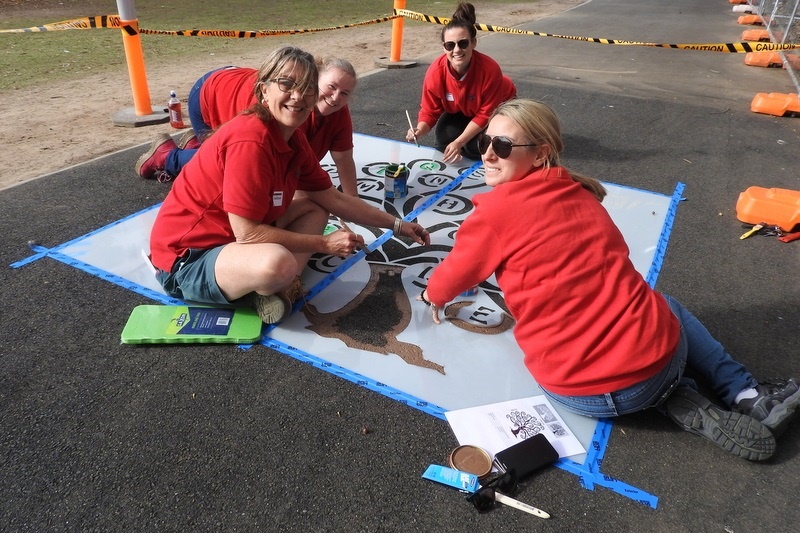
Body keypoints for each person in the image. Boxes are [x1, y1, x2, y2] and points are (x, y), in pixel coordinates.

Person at [418, 98, 800, 461]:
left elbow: (450, 277)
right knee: (662, 304)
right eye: (485, 140)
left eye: (501, 145)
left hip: (584, 394)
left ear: (540, 153)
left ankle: (679, 399)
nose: (486, 153)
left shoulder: (494, 214)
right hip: (661, 360)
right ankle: (744, 393)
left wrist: (433, 295)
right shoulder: (582, 195)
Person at [149, 46, 429, 325]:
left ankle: (266, 286)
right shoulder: (251, 140)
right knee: (278, 263)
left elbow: (334, 199)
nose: (298, 96)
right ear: (263, 91)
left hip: (231, 241)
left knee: (315, 208)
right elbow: (247, 234)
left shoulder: (293, 139)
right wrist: (324, 243)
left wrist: (398, 225)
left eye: (307, 88)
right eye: (286, 84)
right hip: (186, 259)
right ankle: (267, 285)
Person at [136, 57, 361, 196]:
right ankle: (165, 156)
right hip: (209, 91)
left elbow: (343, 159)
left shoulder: (336, 109)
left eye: (344, 94)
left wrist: (352, 203)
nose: (335, 97)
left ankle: (195, 143)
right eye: (330, 87)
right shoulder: (281, 110)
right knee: (226, 164)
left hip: (232, 79)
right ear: (312, 82)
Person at [405, 2, 516, 163]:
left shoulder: (490, 70)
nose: (456, 50)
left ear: (474, 43)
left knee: (475, 147)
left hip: (498, 107)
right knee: (444, 139)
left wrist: (459, 142)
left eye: (463, 43)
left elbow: (486, 114)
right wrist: (419, 130)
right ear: (444, 48)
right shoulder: (435, 72)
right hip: (464, 109)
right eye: (450, 45)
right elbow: (430, 110)